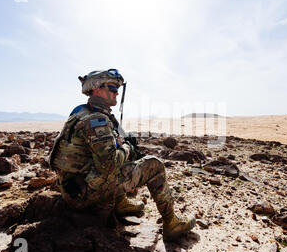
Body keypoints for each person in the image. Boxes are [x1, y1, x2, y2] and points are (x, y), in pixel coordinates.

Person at [48, 69, 196, 241]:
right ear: (97, 89)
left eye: (117, 88)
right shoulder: (96, 120)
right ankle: (172, 223)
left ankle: (120, 203)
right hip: (84, 194)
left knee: (117, 165)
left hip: (72, 188)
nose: (116, 92)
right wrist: (126, 147)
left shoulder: (81, 113)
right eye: (112, 87)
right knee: (155, 165)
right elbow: (110, 164)